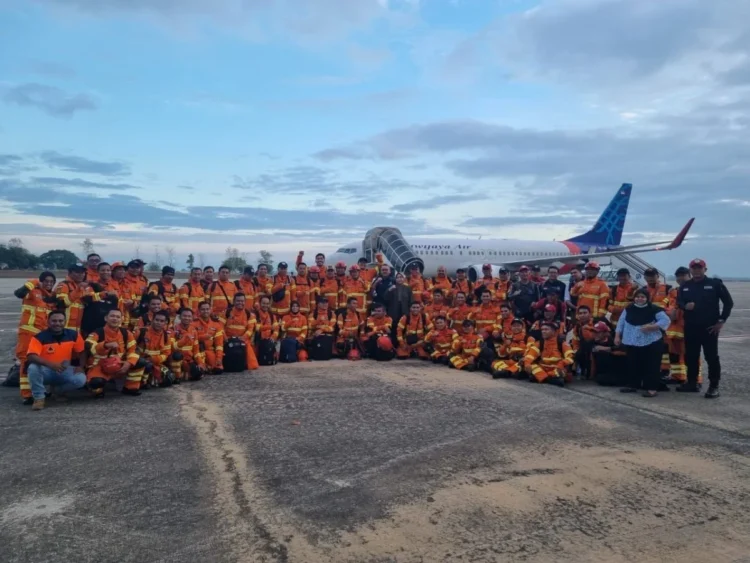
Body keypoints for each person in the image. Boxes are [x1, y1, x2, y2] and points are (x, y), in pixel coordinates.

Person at [677, 258, 733, 398]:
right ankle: (692, 383)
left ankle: (714, 386)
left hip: (709, 328)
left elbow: (728, 303)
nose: (696, 270)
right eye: (694, 268)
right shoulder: (685, 286)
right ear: (690, 270)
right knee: (691, 357)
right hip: (691, 327)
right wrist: (685, 306)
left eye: (699, 268)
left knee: (711, 357)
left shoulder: (715, 284)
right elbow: (679, 301)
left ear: (705, 269)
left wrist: (721, 320)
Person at [25, 311, 87, 410]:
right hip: (45, 371)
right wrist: (51, 365)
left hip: (64, 370)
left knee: (80, 380)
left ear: (65, 322)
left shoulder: (73, 335)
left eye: (60, 321)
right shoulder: (39, 337)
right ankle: (39, 398)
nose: (57, 323)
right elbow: (31, 356)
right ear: (48, 322)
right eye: (54, 321)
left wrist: (81, 366)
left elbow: (82, 351)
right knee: (33, 368)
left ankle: (58, 391)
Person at [615, 288, 671, 398]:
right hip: (632, 341)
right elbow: (621, 322)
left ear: (647, 298)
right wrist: (617, 336)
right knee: (633, 364)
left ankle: (652, 389)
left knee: (651, 366)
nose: (639, 299)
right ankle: (633, 385)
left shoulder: (654, 309)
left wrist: (653, 327)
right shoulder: (629, 308)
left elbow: (666, 320)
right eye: (637, 297)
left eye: (642, 297)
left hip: (652, 342)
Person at [14, 271, 59, 403]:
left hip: (42, 336)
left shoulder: (50, 297)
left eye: (51, 282)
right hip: (28, 333)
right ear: (41, 281)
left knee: (41, 361)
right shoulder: (32, 292)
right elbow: (19, 293)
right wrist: (32, 283)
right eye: (46, 281)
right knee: (26, 361)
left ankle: (39, 390)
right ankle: (27, 394)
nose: (49, 284)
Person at [85, 308, 142, 396]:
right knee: (96, 383)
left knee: (140, 362)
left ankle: (130, 387)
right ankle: (96, 387)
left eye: (118, 317)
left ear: (121, 319)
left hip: (120, 366)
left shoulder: (126, 333)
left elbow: (133, 350)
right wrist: (105, 345)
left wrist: (129, 363)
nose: (115, 319)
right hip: (101, 367)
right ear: (106, 318)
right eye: (112, 316)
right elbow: (88, 345)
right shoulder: (97, 332)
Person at [523, 322, 573, 386]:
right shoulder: (539, 343)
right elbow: (530, 355)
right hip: (543, 368)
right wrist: (527, 363)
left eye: (546, 329)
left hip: (557, 368)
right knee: (531, 365)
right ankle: (550, 379)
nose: (543, 331)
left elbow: (571, 357)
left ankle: (541, 377)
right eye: (542, 329)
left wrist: (562, 363)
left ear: (554, 331)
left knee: (561, 372)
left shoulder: (562, 343)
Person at [134, 310, 175, 387]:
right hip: (140, 362)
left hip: (155, 362)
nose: (158, 323)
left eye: (161, 321)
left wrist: (154, 359)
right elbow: (131, 348)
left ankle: (150, 379)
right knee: (146, 365)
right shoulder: (141, 332)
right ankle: (141, 382)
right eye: (157, 320)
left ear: (165, 323)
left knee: (169, 378)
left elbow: (166, 354)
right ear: (152, 320)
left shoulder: (166, 336)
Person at [224, 294, 259, 370]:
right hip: (227, 339)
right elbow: (220, 327)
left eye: (242, 301)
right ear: (234, 302)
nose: (240, 303)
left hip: (242, 339)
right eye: (238, 301)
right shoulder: (226, 312)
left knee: (253, 365)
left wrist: (243, 338)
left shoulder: (249, 314)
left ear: (245, 302)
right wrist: (225, 338)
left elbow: (250, 330)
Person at [170, 307, 207, 381]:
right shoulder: (173, 329)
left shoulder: (194, 331)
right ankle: (178, 375)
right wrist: (183, 341)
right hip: (177, 359)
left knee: (199, 373)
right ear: (180, 317)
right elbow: (172, 347)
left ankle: (183, 375)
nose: (187, 318)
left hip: (189, 360)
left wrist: (200, 363)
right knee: (177, 356)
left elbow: (196, 351)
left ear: (192, 318)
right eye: (184, 316)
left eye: (189, 316)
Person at [590, 321, 628, 387]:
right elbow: (593, 359)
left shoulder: (612, 341)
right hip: (602, 373)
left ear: (605, 333)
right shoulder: (592, 342)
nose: (595, 334)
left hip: (615, 370)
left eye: (598, 332)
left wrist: (608, 349)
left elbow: (624, 350)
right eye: (594, 332)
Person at [193, 301, 225, 373]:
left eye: (207, 309)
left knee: (218, 369)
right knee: (198, 370)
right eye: (203, 309)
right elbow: (191, 339)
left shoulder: (216, 325)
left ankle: (208, 367)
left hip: (210, 351)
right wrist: (203, 337)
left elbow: (219, 345)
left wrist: (219, 358)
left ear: (210, 310)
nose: (205, 311)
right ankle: (204, 366)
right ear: (199, 311)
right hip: (197, 351)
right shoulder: (193, 324)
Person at [55, 264, 87, 331]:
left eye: (83, 272)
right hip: (64, 327)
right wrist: (77, 291)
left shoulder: (83, 288)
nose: (81, 274)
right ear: (69, 273)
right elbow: (61, 304)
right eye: (77, 272)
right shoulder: (63, 285)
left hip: (77, 329)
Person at [571, 305, 595, 379]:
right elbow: (575, 342)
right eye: (580, 313)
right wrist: (576, 353)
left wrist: (586, 329)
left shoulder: (596, 323)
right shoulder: (577, 326)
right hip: (583, 349)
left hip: (596, 348)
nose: (582, 315)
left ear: (590, 314)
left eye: (585, 313)